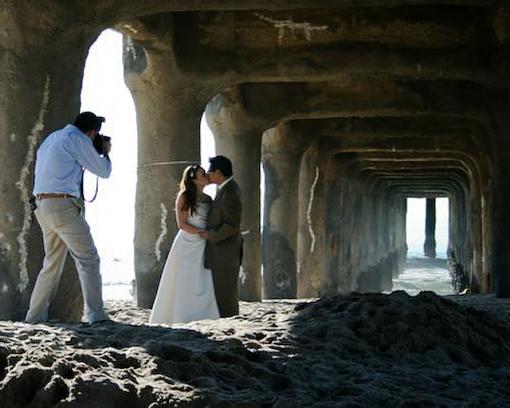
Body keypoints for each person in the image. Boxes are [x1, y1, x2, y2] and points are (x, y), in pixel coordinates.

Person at [25, 111, 112, 324]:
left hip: (42, 204)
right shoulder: (77, 138)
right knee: (88, 259)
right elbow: (103, 171)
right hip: (61, 205)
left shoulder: (53, 138)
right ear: (91, 132)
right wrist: (105, 153)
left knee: (51, 263)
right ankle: (96, 315)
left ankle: (34, 317)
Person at [149, 165, 220, 325]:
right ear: (194, 179)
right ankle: (181, 315)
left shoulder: (208, 199)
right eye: (202, 175)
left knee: (202, 278)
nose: (206, 176)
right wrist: (201, 233)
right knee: (184, 279)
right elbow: (182, 224)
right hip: (187, 242)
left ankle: (204, 313)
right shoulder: (184, 196)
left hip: (203, 242)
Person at [200, 155, 242, 317]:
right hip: (222, 253)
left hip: (225, 253)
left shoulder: (230, 191)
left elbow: (232, 226)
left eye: (210, 172)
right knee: (222, 295)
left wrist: (209, 235)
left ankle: (231, 325)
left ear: (218, 172)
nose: (208, 176)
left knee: (226, 297)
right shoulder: (225, 189)